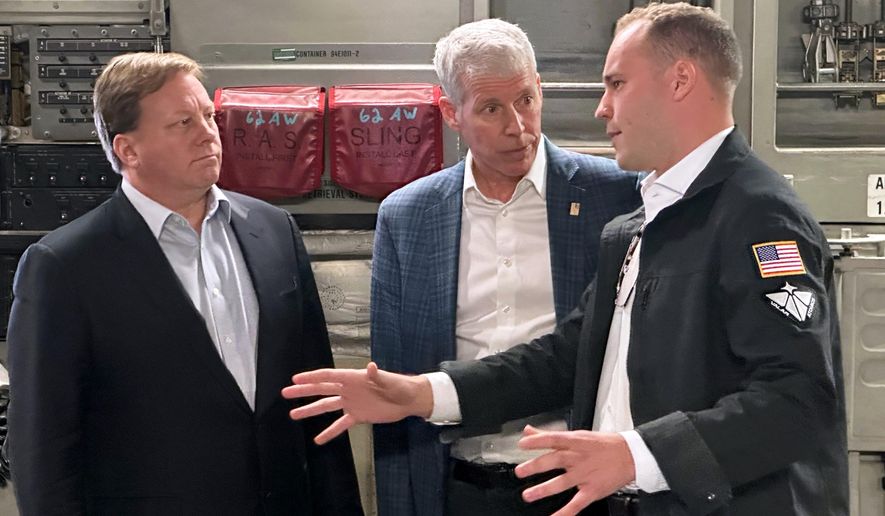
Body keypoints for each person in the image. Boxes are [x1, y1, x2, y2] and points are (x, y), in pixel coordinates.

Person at [283, 3, 849, 515]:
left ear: (680, 81)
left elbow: (797, 401)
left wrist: (634, 455)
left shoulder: (758, 215)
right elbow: (566, 357)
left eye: (617, 84)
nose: (601, 108)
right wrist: (424, 394)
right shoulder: (641, 222)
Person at [6, 52, 363, 516]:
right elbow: (42, 447)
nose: (208, 133)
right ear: (127, 150)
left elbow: (316, 397)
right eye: (182, 123)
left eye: (208, 116)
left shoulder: (273, 230)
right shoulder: (65, 266)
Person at [371, 19, 642, 516]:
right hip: (461, 489)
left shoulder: (616, 195)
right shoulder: (408, 217)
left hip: (581, 490)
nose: (517, 127)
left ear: (540, 88)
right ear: (452, 112)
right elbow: (393, 385)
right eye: (492, 109)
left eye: (525, 100)